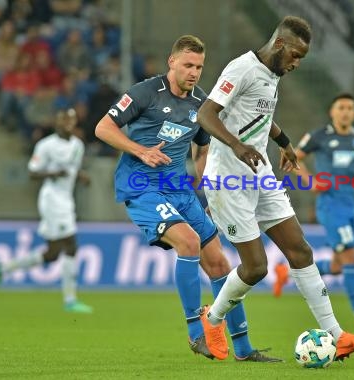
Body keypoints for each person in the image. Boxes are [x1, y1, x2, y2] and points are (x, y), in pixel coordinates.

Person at [197, 16, 354, 362]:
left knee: (300, 251)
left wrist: (284, 142)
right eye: (295, 55)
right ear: (280, 44)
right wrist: (237, 146)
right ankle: (212, 320)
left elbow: (260, 117)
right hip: (227, 179)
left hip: (260, 172)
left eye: (302, 59)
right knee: (255, 269)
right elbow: (206, 115)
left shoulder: (273, 73)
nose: (296, 64)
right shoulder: (242, 69)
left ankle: (338, 337)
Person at [94, 35, 280, 362]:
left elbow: (203, 148)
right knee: (189, 242)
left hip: (179, 189)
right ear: (172, 62)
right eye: (188, 65)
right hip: (141, 186)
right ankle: (198, 334)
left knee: (220, 263)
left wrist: (207, 186)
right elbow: (103, 128)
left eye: (199, 67)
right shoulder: (144, 93)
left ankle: (243, 348)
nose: (194, 72)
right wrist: (141, 150)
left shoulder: (200, 103)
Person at [274, 93, 354, 332]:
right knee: (351, 258)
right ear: (332, 112)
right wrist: (309, 182)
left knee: (338, 266)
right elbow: (292, 156)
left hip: (350, 205)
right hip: (330, 206)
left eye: (350, 108)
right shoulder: (320, 136)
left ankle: (285, 273)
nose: (346, 112)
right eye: (341, 107)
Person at [0, 108, 94, 314]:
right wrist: (53, 173)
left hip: (66, 199)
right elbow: (32, 172)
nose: (67, 124)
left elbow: (71, 168)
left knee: (52, 254)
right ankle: (70, 300)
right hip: (52, 199)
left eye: (70, 120)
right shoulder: (46, 146)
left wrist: (81, 176)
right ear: (57, 123)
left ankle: (2, 268)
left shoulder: (77, 146)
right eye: (63, 120)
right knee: (71, 245)